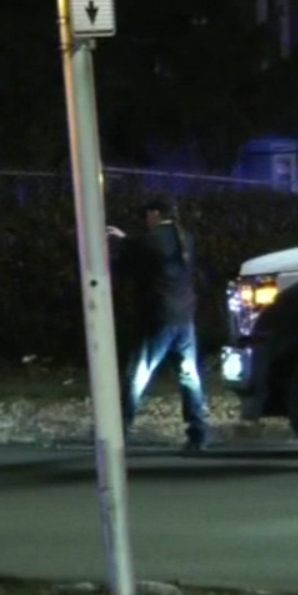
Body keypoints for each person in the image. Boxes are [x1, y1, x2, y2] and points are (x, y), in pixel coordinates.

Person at [106, 194, 212, 453]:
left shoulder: (149, 241)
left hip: (159, 315)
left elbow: (127, 264)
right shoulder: (184, 238)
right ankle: (197, 433)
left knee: (138, 372)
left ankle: (120, 429)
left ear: (154, 214)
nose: (146, 220)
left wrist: (121, 241)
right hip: (185, 314)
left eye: (147, 215)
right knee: (189, 375)